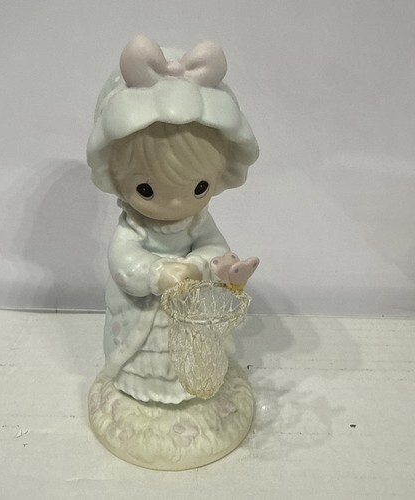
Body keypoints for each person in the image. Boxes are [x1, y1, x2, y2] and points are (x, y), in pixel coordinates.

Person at [87, 35, 259, 404]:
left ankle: (191, 388)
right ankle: (140, 389)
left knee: (192, 356)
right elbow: (123, 261)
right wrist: (157, 274)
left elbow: (213, 246)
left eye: (199, 187)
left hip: (191, 306)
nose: (177, 204)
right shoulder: (134, 227)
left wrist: (204, 266)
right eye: (146, 189)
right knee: (147, 356)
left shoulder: (197, 222)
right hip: (144, 311)